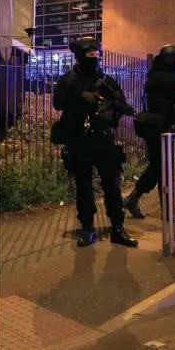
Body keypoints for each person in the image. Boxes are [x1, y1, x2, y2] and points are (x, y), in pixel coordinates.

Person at [52, 37, 138, 248]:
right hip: (79, 140)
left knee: (112, 185)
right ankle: (88, 228)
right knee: (83, 187)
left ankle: (118, 228)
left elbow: (124, 106)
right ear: (81, 57)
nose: (94, 60)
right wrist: (82, 96)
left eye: (96, 56)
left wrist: (114, 102)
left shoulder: (106, 80)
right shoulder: (68, 80)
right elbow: (58, 103)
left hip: (104, 139)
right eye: (90, 56)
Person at [124, 45, 175, 223]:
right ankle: (168, 212)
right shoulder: (171, 79)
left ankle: (133, 198)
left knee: (157, 166)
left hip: (154, 128)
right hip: (167, 128)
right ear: (171, 60)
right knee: (167, 169)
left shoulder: (153, 76)